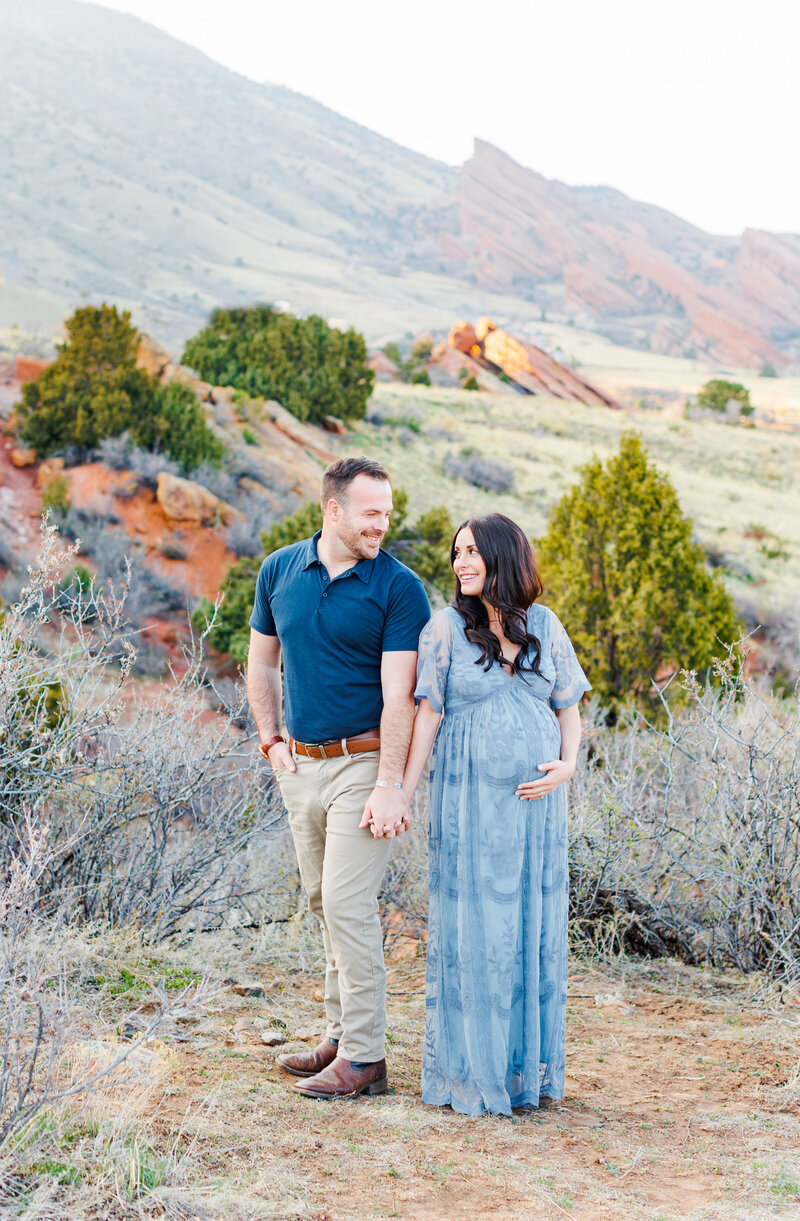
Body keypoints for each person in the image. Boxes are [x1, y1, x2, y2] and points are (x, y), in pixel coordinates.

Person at [247, 456, 430, 1100]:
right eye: (370, 512)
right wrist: (271, 742)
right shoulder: (280, 570)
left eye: (387, 512)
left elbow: (399, 695)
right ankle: (337, 1034)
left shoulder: (399, 587)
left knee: (349, 902)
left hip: (364, 763)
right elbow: (262, 666)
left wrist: (389, 783)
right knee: (324, 900)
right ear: (334, 509)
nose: (382, 524)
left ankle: (366, 1057)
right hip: (301, 764)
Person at [402, 513, 590, 1116]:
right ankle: (471, 1072)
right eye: (456, 553)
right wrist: (402, 792)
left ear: (505, 557)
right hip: (471, 804)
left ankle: (519, 1073)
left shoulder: (546, 625)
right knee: (477, 927)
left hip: (537, 810)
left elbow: (569, 708)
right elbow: (427, 715)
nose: (461, 563)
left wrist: (568, 764)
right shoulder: (443, 629)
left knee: (529, 925)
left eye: (473, 552)